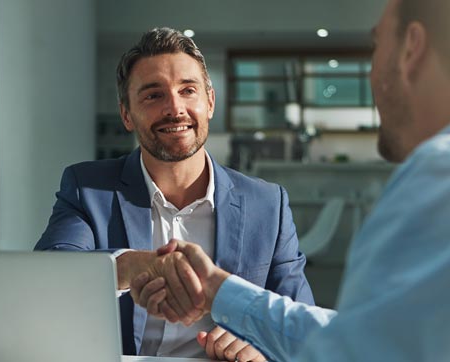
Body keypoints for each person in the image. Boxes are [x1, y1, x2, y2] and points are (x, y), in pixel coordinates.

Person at [131, 0, 450, 360]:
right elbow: (367, 338)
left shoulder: (449, 172)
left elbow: (353, 354)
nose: (372, 71)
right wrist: (219, 291)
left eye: (376, 46)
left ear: (411, 48)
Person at [35, 27, 314, 360]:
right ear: (127, 114)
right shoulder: (87, 188)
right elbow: (48, 276)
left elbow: (301, 324)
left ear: (209, 102)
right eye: (154, 95)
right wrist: (132, 267)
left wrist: (263, 348)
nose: (175, 108)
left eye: (188, 90)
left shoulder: (268, 204)